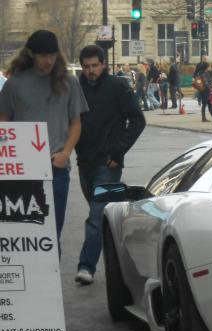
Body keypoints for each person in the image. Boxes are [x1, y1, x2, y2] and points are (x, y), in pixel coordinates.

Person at [0, 30, 88, 249]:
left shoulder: (68, 82)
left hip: (55, 166)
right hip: (21, 169)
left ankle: (51, 282)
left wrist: (66, 153)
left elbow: (76, 124)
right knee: (23, 236)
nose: (49, 60)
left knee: (51, 237)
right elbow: (3, 122)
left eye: (52, 54)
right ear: (30, 53)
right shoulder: (14, 84)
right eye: (43, 55)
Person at [73, 45, 146, 285]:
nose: (90, 71)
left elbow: (137, 120)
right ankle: (121, 264)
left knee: (95, 215)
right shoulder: (77, 87)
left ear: (103, 64)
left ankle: (86, 267)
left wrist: (118, 150)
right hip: (85, 162)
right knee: (102, 216)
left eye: (95, 65)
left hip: (109, 164)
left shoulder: (118, 86)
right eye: (86, 67)